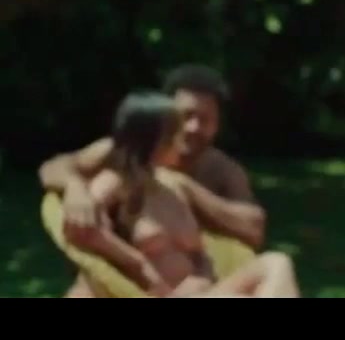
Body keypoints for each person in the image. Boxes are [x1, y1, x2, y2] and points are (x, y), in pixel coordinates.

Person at [38, 63, 266, 297]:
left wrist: (188, 191)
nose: (193, 128)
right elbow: (52, 168)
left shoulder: (219, 168)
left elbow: (254, 228)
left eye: (205, 120)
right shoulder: (118, 154)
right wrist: (74, 187)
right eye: (186, 116)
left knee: (274, 264)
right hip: (126, 284)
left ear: (217, 125)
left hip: (195, 282)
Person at [65, 89, 299, 297]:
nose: (181, 144)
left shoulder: (172, 186)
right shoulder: (116, 184)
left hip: (201, 292)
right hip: (155, 293)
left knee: (276, 262)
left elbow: (199, 254)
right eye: (175, 136)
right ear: (153, 141)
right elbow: (80, 230)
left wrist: (202, 277)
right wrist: (138, 264)